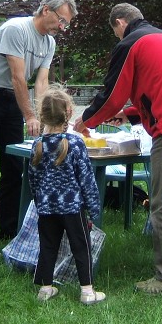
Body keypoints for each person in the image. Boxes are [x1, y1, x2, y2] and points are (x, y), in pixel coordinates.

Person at [73, 3, 162, 296]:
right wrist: (133, 113)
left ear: (121, 22)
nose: (117, 37)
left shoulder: (130, 42)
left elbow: (112, 94)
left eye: (115, 31)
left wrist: (85, 121)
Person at [0, 0, 78, 257]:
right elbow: (17, 77)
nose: (62, 27)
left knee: (14, 167)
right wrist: (29, 116)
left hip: (14, 100)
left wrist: (46, 117)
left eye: (66, 24)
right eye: (61, 20)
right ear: (46, 10)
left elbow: (40, 83)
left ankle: (9, 230)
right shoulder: (16, 28)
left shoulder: (49, 43)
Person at [29, 86, 105, 304]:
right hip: (72, 208)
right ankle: (87, 291)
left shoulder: (38, 145)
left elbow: (32, 178)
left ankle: (45, 288)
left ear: (42, 114)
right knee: (81, 246)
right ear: (69, 113)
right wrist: (93, 208)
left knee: (48, 245)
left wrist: (38, 201)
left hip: (46, 207)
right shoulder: (76, 143)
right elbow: (87, 180)